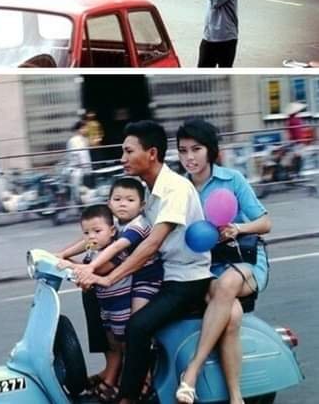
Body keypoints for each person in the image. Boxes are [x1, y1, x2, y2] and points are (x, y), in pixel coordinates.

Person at [76, 120, 212, 404]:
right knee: (91, 295)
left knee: (138, 326)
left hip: (185, 279)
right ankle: (113, 367)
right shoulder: (148, 191)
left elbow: (151, 244)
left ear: (151, 153)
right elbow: (117, 236)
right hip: (163, 273)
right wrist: (77, 263)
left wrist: (109, 277)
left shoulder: (175, 188)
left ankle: (128, 397)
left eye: (128, 151)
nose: (122, 158)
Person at [175, 118, 272, 404]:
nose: (189, 157)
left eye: (196, 149)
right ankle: (236, 397)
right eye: (183, 150)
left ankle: (191, 372)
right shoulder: (179, 188)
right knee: (231, 317)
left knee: (227, 284)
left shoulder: (232, 179)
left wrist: (238, 228)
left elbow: (265, 221)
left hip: (244, 263)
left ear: (211, 150)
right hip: (204, 268)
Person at [60, 178, 163, 401]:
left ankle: (143, 379)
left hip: (146, 280)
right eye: (117, 199)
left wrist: (82, 267)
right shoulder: (111, 228)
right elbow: (89, 239)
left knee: (134, 332)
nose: (122, 204)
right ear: (109, 202)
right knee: (113, 337)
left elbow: (113, 251)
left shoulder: (137, 227)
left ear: (142, 205)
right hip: (119, 290)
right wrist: (61, 255)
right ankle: (113, 374)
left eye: (129, 199)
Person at [66, 120, 92, 194]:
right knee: (78, 194)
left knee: (85, 193)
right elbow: (78, 155)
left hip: (83, 170)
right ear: (80, 129)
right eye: (85, 128)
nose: (86, 130)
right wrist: (85, 167)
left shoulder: (83, 140)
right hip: (77, 170)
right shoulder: (74, 140)